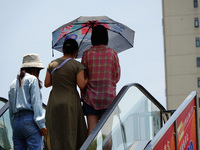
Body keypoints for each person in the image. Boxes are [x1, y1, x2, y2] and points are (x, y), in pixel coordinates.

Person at [44, 38, 88, 150]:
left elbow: (47, 83)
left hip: (54, 102)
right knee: (70, 131)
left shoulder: (52, 64)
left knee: (55, 132)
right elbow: (81, 85)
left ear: (63, 49)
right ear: (76, 51)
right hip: (70, 102)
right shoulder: (77, 65)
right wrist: (88, 78)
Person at [81, 25, 121, 136]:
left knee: (91, 130)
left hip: (90, 99)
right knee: (107, 133)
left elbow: (82, 78)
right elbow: (117, 77)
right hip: (108, 98)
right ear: (106, 38)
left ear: (93, 38)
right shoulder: (113, 54)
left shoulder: (86, 54)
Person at [8, 53, 47, 150]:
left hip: (16, 123)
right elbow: (36, 103)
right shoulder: (32, 79)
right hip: (30, 121)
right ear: (34, 69)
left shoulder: (13, 84)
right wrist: (41, 125)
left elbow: (11, 109)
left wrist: (15, 125)